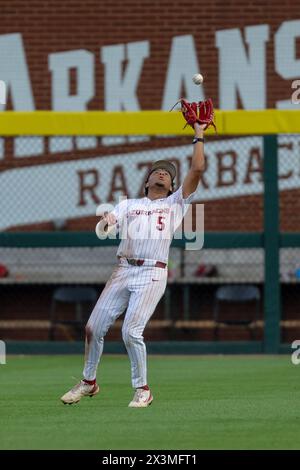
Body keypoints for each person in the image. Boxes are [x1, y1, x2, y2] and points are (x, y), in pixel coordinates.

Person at [61, 122, 206, 407]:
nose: (162, 172)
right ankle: (89, 382)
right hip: (124, 269)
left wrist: (198, 134)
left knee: (130, 331)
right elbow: (111, 218)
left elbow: (198, 169)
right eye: (157, 170)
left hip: (153, 271)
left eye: (168, 172)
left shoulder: (176, 202)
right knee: (92, 327)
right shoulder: (128, 204)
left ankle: (143, 389)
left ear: (173, 185)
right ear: (147, 181)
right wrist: (106, 221)